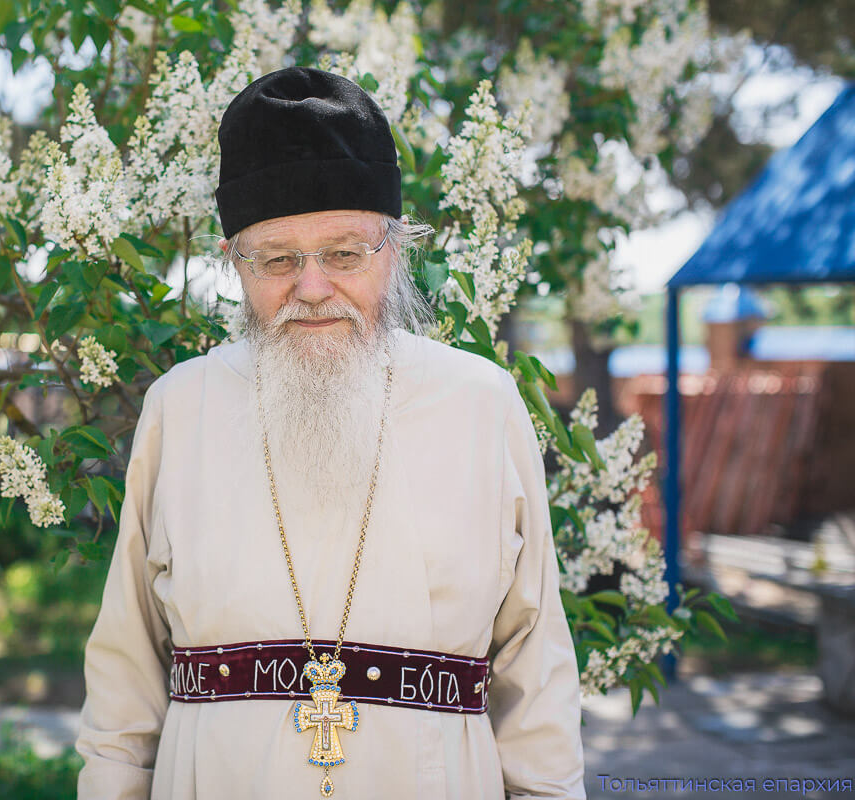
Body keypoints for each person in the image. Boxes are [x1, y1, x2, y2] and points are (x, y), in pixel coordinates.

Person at [75, 66, 587, 800]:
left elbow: (534, 672)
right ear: (235, 264)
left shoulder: (481, 404)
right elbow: (126, 673)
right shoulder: (180, 407)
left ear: (394, 249)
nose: (312, 288)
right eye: (278, 259)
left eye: (344, 254)